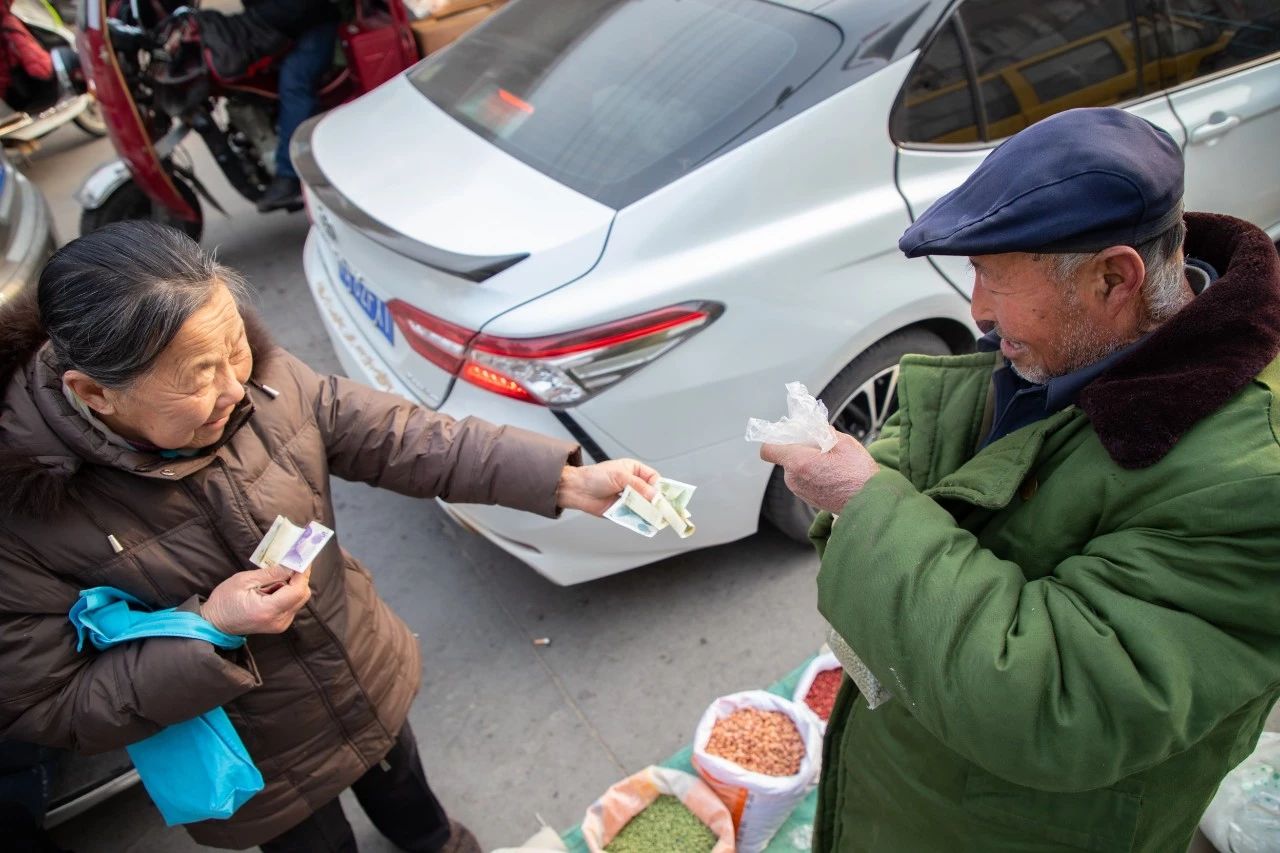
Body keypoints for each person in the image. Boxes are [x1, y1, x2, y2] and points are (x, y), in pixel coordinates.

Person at [0, 221, 662, 852]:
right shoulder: (25, 517)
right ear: (95, 393)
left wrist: (562, 481)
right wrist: (206, 627)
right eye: (199, 373)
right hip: (259, 758)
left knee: (411, 795)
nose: (236, 387)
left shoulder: (265, 379)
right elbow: (53, 701)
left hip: (358, 666)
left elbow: (401, 438)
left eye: (233, 347)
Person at [763, 108, 1280, 852]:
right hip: (913, 781)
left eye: (994, 279)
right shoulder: (1049, 348)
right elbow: (908, 455)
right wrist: (866, 496)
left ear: (1114, 277)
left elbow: (1053, 699)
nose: (975, 309)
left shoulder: (1247, 486)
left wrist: (864, 500)